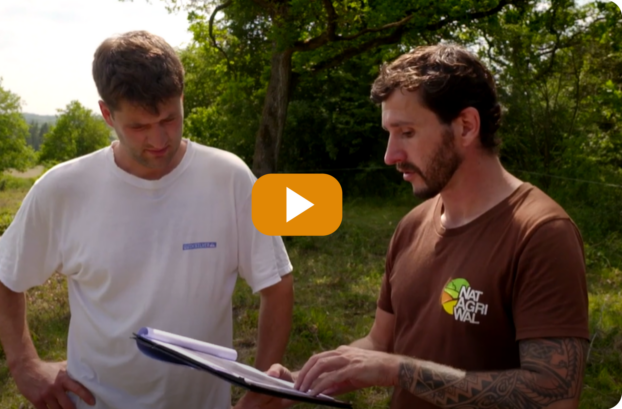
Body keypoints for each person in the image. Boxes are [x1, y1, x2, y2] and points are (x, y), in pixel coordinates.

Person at [235, 43, 590, 409]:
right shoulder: (412, 226)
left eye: (406, 132)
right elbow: (380, 343)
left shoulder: (541, 234)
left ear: (466, 126)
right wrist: (298, 385)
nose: (391, 155)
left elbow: (555, 396)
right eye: (390, 134)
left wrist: (399, 370)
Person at [0, 30, 294, 409]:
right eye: (139, 126)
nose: (159, 139)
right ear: (107, 114)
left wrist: (261, 389)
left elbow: (276, 283)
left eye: (170, 119)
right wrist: (24, 364)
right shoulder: (64, 188)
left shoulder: (230, 178)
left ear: (182, 100)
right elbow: (2, 273)